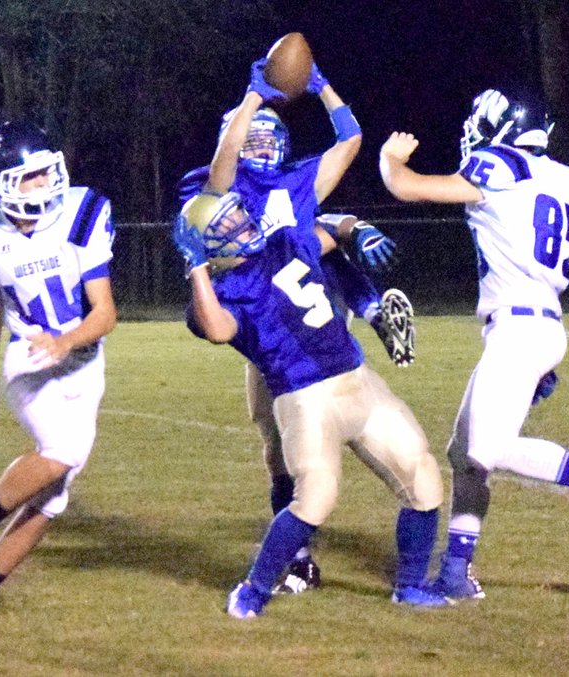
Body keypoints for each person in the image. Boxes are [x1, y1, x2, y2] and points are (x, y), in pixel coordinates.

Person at [173, 60, 451, 619]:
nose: (240, 224)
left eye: (237, 220)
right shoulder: (224, 287)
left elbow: (328, 230)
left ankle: (412, 585)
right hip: (303, 395)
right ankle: (254, 590)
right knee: (314, 496)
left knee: (422, 476)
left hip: (356, 377)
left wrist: (358, 237)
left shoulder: (281, 241)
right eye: (227, 225)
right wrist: (197, 268)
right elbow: (217, 328)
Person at [379, 88, 569, 601]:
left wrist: (389, 160)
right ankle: (457, 572)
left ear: (503, 125)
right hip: (539, 323)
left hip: (520, 329)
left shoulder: (499, 163)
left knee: (488, 450)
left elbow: (409, 188)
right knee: (464, 454)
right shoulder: (563, 179)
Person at [0, 120, 117, 630]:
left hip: (82, 359)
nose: (45, 184)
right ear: (2, 183)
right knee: (62, 451)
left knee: (54, 498)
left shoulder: (82, 213)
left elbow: (104, 313)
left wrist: (67, 341)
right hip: (30, 357)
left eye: (46, 172)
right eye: (30, 177)